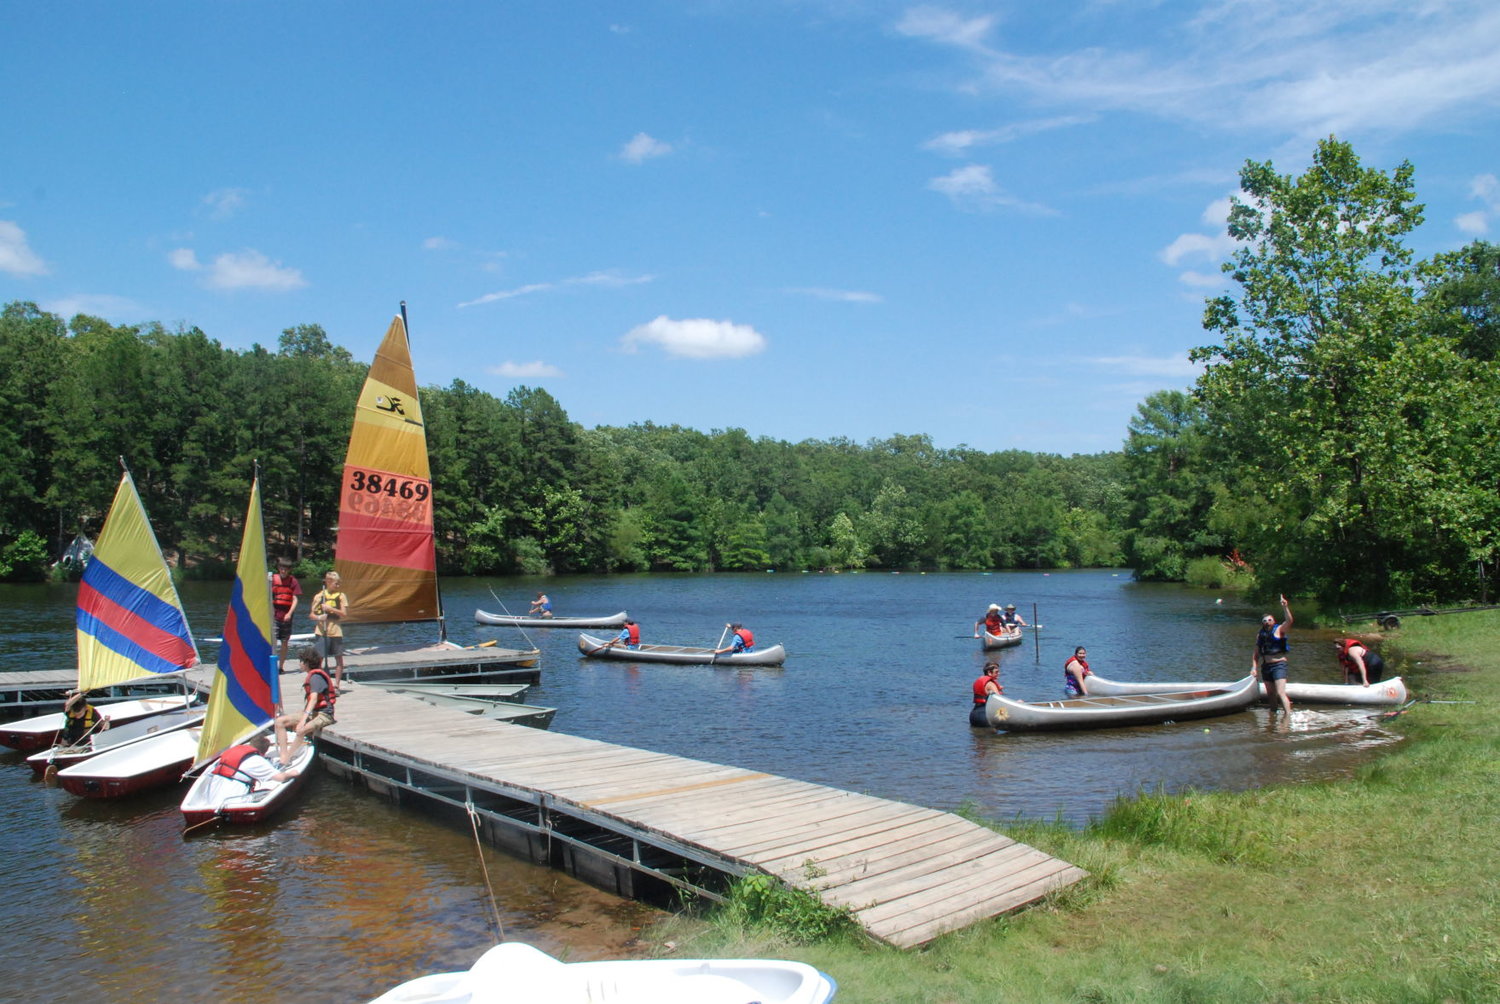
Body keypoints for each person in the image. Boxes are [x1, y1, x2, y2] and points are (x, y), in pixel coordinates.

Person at [204, 731, 300, 801]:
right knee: (267, 792)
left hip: (212, 793)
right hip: (234, 798)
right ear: (264, 752)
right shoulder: (257, 760)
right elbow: (280, 778)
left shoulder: (231, 751)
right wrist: (292, 773)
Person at [279, 645, 336, 762]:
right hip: (313, 713)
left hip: (324, 715)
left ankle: (287, 758)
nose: (299, 664)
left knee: (301, 730)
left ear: (307, 663)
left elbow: (314, 699)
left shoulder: (316, 677)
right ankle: (283, 754)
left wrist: (303, 720)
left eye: (301, 661)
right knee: (279, 722)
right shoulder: (312, 676)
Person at [1252, 594, 1295, 717]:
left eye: (1269, 620)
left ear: (1274, 621)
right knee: (1270, 693)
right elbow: (1256, 653)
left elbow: (1289, 621)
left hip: (1279, 665)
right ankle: (1273, 715)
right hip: (1266, 666)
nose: (1267, 622)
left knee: (1280, 692)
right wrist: (1253, 667)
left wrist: (1285, 607)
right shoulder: (1260, 635)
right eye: (1265, 621)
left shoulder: (1279, 630)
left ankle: (1287, 716)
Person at [310, 570, 350, 688]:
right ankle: (319, 684)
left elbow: (344, 613)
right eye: (335, 583)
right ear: (328, 582)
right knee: (319, 659)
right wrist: (319, 617)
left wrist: (330, 608)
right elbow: (311, 615)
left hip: (336, 631)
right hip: (322, 631)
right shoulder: (319, 596)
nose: (338, 586)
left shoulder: (341, 596)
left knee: (339, 659)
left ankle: (336, 685)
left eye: (339, 583)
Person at [270, 556, 302, 671]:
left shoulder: (293, 581)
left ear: (289, 570)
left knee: (284, 641)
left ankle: (281, 667)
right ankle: (271, 665)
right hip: (274, 615)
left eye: (286, 569)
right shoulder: (272, 579)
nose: (283, 571)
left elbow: (295, 599)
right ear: (279, 568)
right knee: (272, 641)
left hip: (286, 615)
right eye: (282, 568)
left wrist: (289, 613)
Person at [970, 661, 1003, 727]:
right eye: (996, 672)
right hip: (985, 716)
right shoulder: (991, 684)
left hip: (973, 716)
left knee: (977, 736)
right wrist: (1017, 703)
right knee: (992, 736)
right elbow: (1000, 702)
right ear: (989, 672)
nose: (999, 674)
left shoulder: (979, 680)